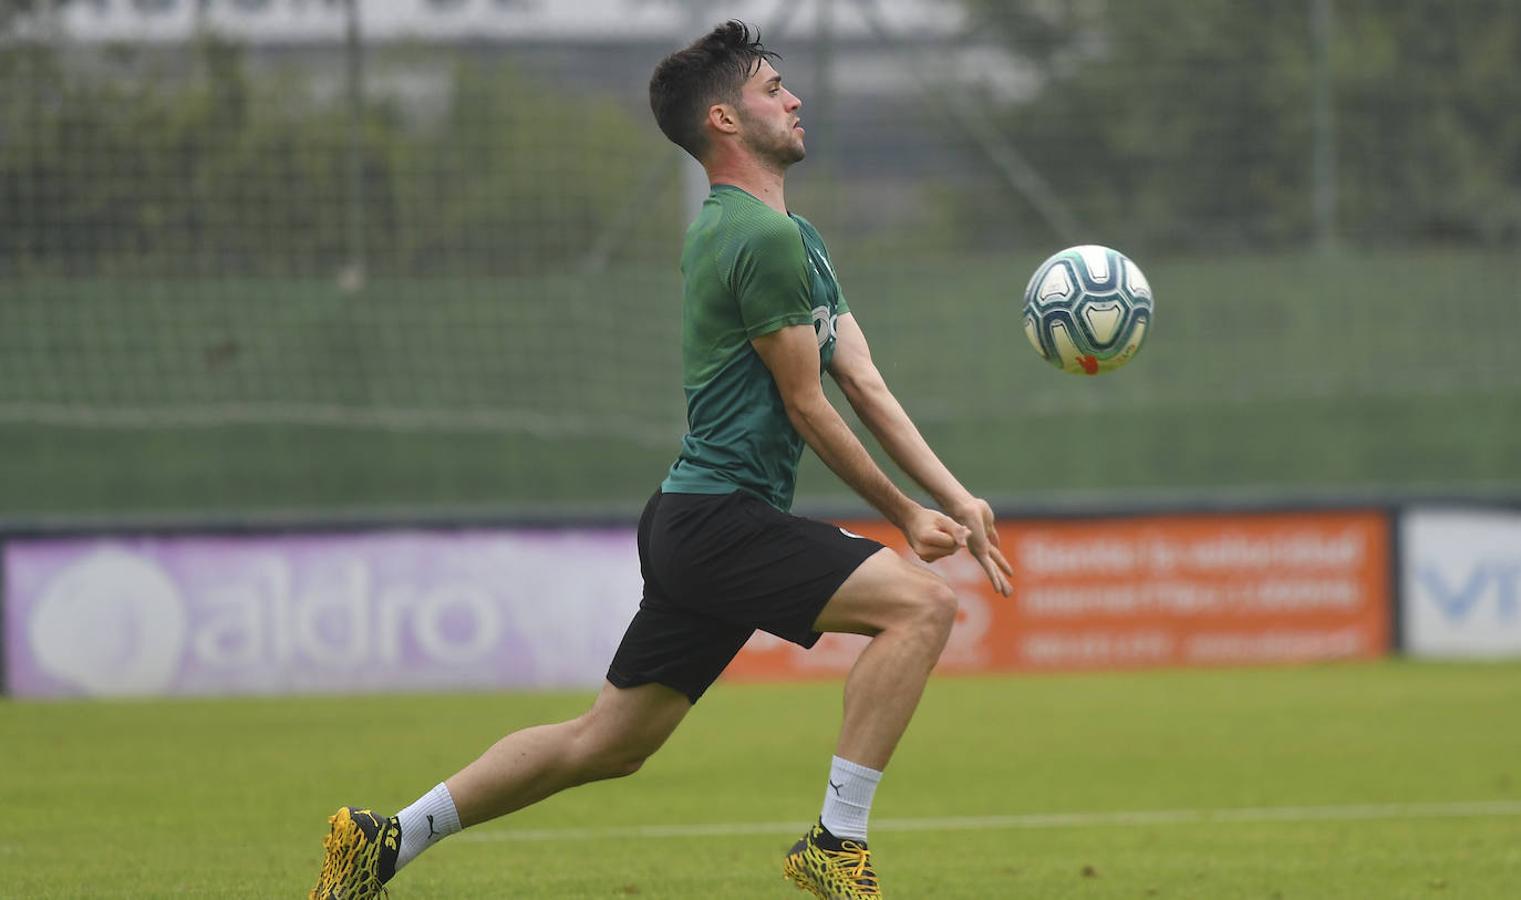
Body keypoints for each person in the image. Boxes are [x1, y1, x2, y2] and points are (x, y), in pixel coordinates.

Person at [309, 20, 1012, 900]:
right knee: (921, 609)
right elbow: (806, 401)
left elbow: (860, 377)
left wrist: (954, 494)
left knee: (606, 743)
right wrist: (905, 516)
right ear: (723, 119)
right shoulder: (759, 239)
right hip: (721, 518)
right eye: (769, 88)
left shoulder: (792, 236)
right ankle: (836, 845)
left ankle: (384, 839)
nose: (793, 98)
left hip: (695, 519)